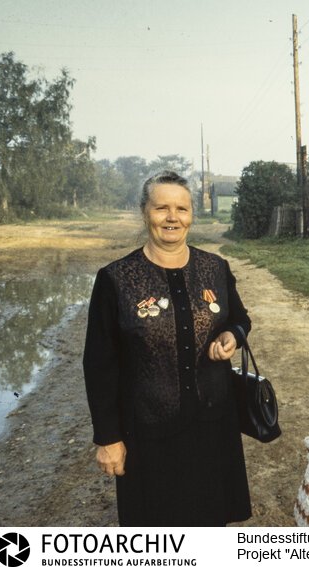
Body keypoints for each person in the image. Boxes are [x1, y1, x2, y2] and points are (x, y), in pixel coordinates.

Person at [83, 170, 252, 526]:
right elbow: (99, 365)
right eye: (162, 208)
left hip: (213, 426)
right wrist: (108, 437)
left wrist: (232, 336)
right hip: (148, 434)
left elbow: (240, 319)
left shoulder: (215, 268)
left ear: (192, 214)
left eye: (181, 208)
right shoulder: (116, 279)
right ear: (145, 212)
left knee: (210, 526)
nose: (172, 217)